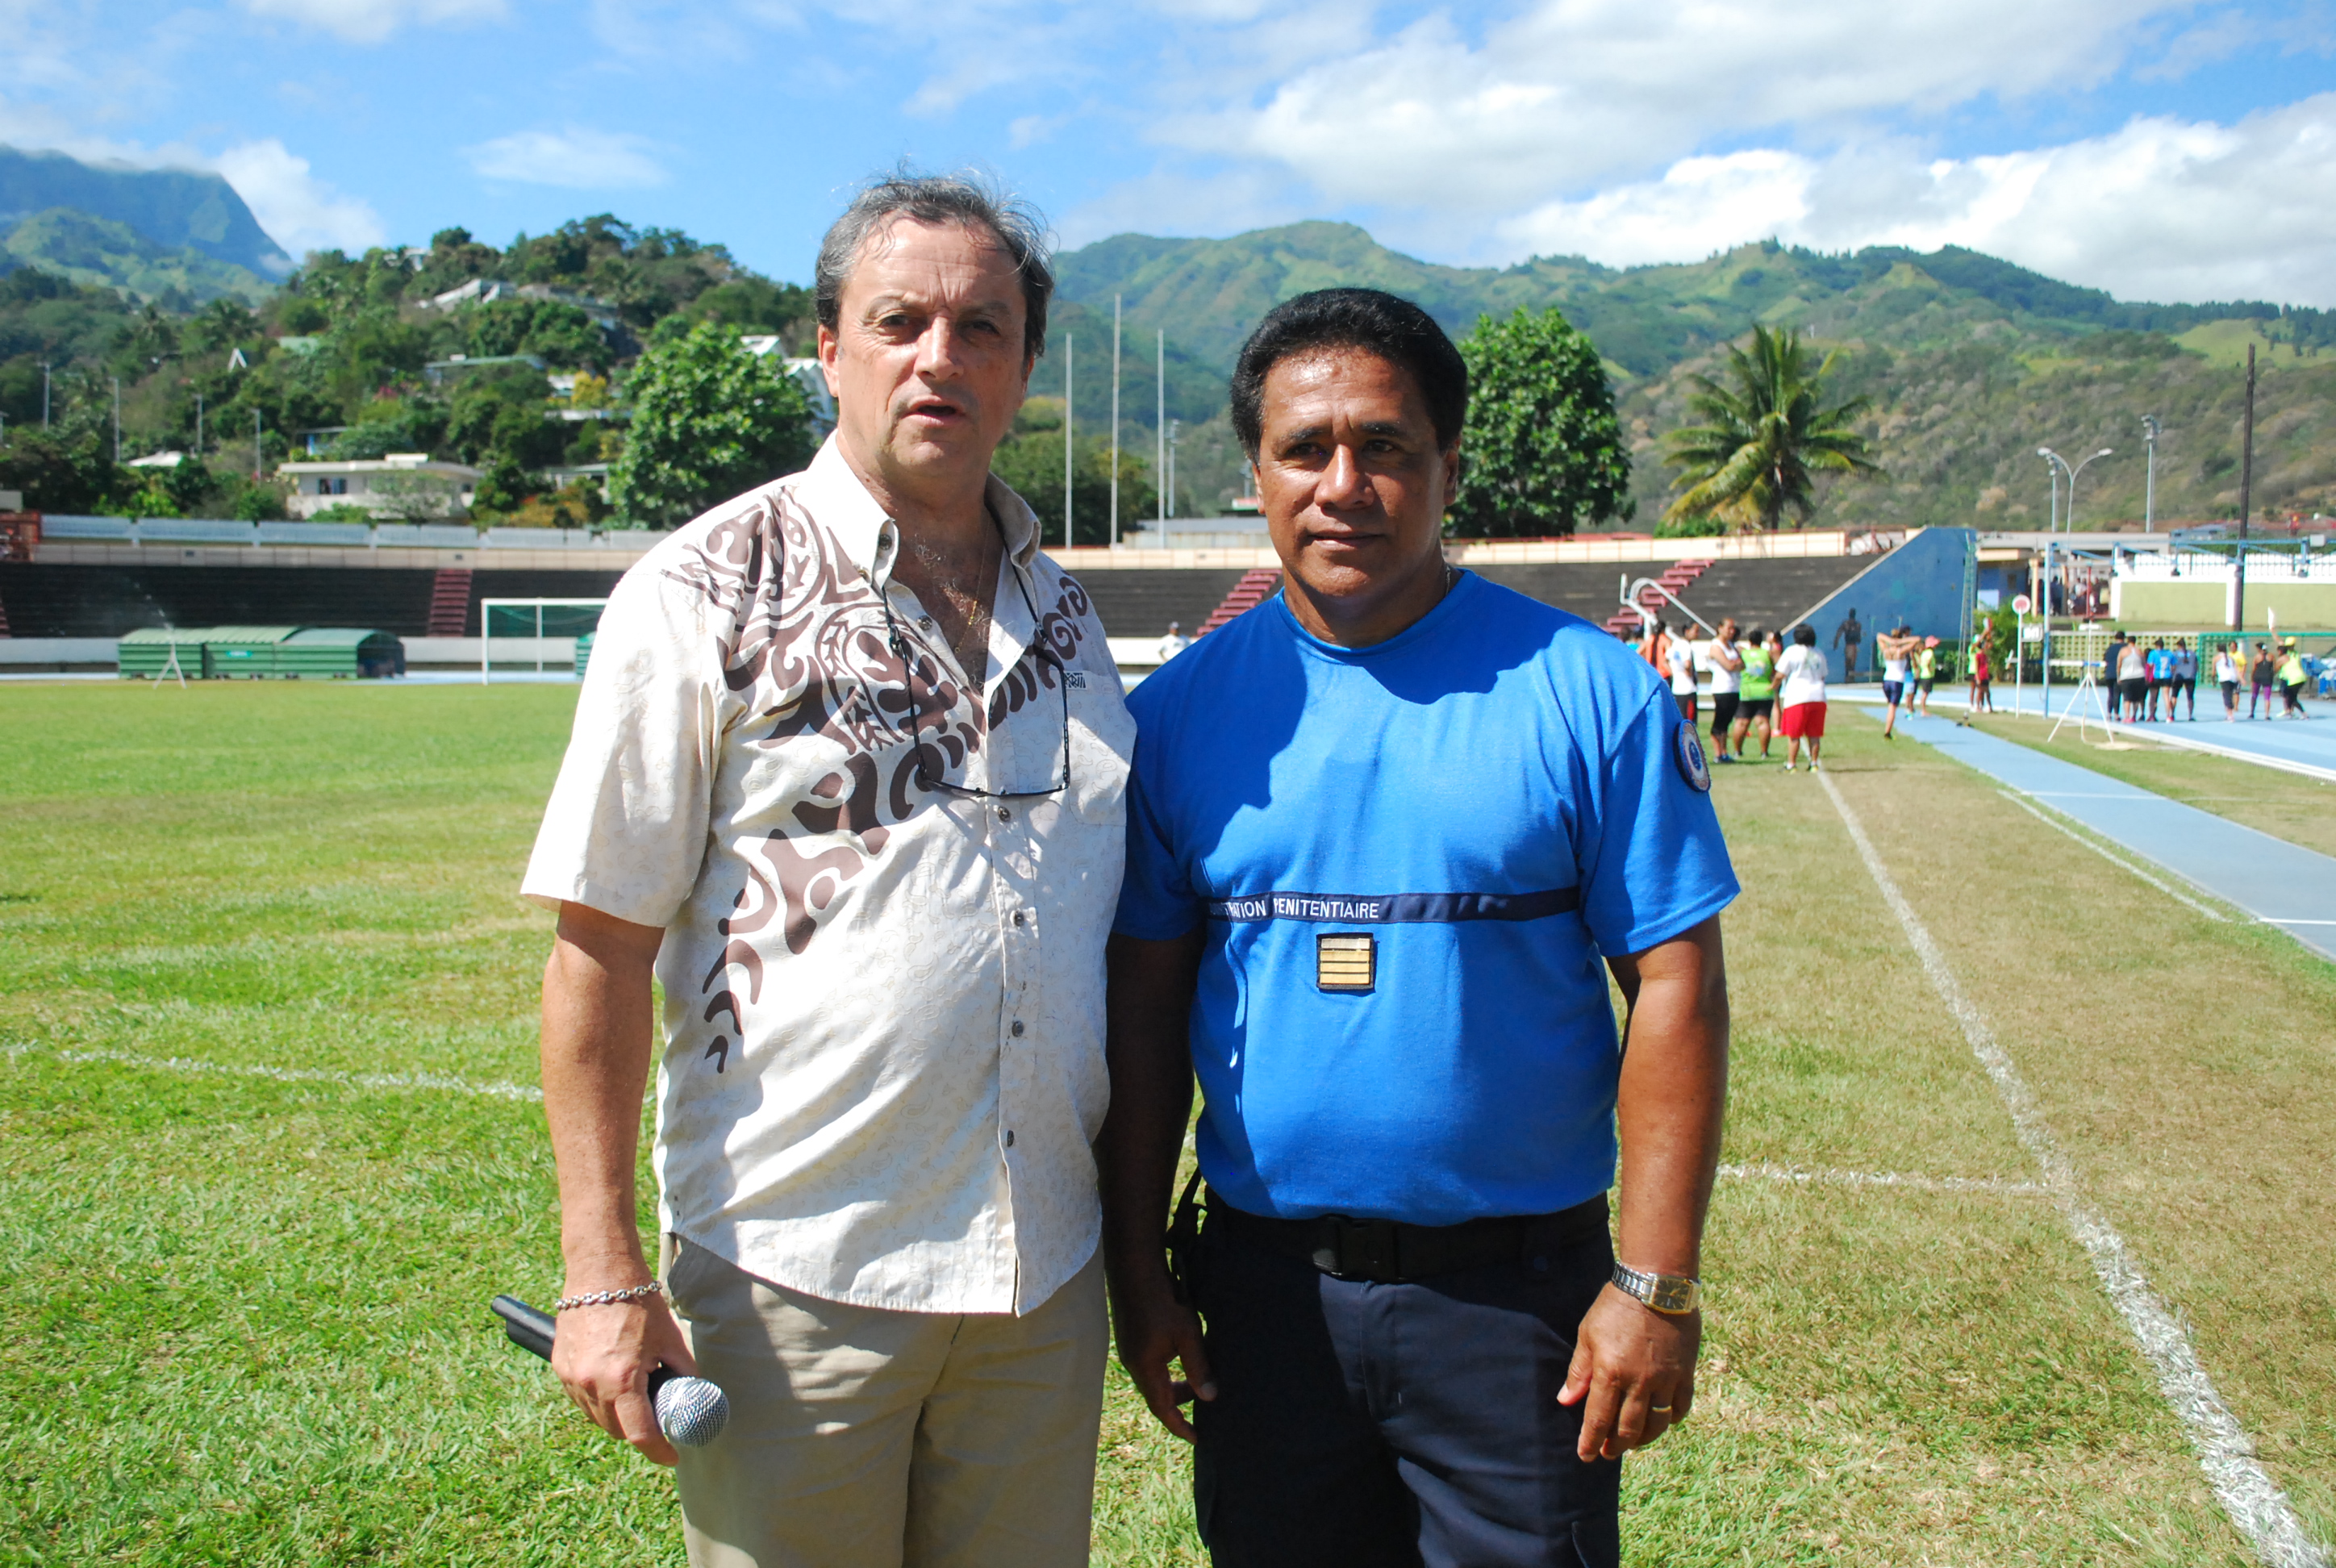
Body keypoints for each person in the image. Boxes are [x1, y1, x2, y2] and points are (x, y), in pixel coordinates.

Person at [521, 173, 1136, 1568]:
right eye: (898, 319)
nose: (940, 357)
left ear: (1025, 362)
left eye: (981, 326)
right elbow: (597, 947)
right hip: (799, 1268)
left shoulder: (1069, 609)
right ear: (829, 347)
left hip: (1039, 1273)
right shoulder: (702, 590)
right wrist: (601, 1266)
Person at [1098, 288, 1737, 1568]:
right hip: (1263, 1298)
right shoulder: (1172, 716)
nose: (1344, 483)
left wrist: (1656, 1281)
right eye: (1305, 449)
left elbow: (1675, 984)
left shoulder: (1590, 692)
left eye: (1385, 446)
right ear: (1257, 474)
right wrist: (1140, 1277)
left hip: (1515, 1308)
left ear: (1449, 465)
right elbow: (1147, 1018)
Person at [1775, 623, 1829, 771]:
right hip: (1818, 696)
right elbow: (1823, 675)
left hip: (1797, 697)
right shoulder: (1819, 653)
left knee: (1794, 734)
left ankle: (1791, 764)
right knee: (1814, 734)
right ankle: (1814, 763)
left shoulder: (1791, 652)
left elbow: (1781, 673)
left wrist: (1773, 684)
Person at [1732, 628, 1775, 761]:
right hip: (1764, 691)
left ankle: (1738, 751)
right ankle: (1764, 752)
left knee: (1741, 723)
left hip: (1747, 692)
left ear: (1749, 641)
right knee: (1763, 722)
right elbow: (1773, 670)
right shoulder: (1767, 654)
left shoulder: (1743, 654)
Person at [1707, 618, 1743, 763]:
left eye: (1733, 628)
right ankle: (1718, 753)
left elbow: (1742, 664)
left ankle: (1724, 752)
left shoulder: (1731, 645)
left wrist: (1736, 664)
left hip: (1734, 687)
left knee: (1726, 722)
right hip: (1722, 688)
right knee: (1720, 721)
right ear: (1720, 628)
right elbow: (1728, 665)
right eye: (1729, 628)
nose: (1732, 631)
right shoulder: (1716, 646)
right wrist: (1735, 664)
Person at [1874, 624, 1919, 739]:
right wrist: (1901, 642)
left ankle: (1888, 730)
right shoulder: (1901, 651)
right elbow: (1917, 639)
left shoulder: (1886, 650)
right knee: (1892, 708)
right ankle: (1887, 733)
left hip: (1886, 680)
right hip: (1897, 681)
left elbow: (1879, 636)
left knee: (1891, 706)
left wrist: (1890, 641)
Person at [1666, 619, 1699, 724]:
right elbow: (1688, 664)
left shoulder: (1676, 643)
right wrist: (1688, 674)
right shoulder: (1686, 645)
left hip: (1677, 688)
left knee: (1681, 721)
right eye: (1696, 631)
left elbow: (1665, 660)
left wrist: (1673, 673)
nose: (1697, 634)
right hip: (1688, 688)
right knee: (1690, 722)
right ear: (1687, 631)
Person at [2117, 636, 2150, 727]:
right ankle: (2134, 716)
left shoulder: (2123, 651)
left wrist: (2118, 676)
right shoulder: (2139, 651)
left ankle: (2127, 716)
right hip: (2139, 676)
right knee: (2136, 698)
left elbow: (2119, 665)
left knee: (2127, 698)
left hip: (2126, 677)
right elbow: (2144, 664)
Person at [2146, 638, 2175, 722]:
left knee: (2154, 696)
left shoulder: (2153, 653)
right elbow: (2174, 666)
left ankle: (2152, 715)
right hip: (2167, 675)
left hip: (2156, 676)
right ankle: (2169, 715)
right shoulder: (2169, 653)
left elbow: (2150, 665)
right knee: (2166, 696)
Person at [1831, 607, 1863, 684]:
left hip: (1849, 645)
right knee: (1851, 663)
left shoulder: (1847, 624)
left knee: (1849, 663)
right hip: (1853, 645)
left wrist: (1836, 643)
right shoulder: (1857, 625)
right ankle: (1850, 679)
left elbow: (1839, 634)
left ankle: (1849, 679)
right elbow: (1859, 639)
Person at [2278, 640, 2310, 717]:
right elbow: (2279, 642)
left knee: (2291, 697)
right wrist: (2273, 632)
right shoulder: (2295, 654)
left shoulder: (2288, 655)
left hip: (2294, 679)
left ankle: (2303, 713)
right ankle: (2289, 710)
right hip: (2299, 678)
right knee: (2290, 696)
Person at [2101, 630, 2128, 720]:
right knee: (2117, 694)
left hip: (2109, 672)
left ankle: (2109, 713)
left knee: (2110, 694)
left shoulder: (2110, 648)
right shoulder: (2126, 648)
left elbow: (2105, 659)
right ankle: (2117, 713)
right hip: (2119, 673)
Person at [2171, 640, 2198, 721]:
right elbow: (2196, 666)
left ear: (2179, 646)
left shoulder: (2175, 654)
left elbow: (2173, 666)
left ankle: (2172, 714)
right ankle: (2190, 715)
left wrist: (2172, 676)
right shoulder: (2192, 654)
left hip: (2178, 676)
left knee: (2174, 696)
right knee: (2190, 697)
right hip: (2190, 676)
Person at [2215, 642, 2242, 720]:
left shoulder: (2217, 658)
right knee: (2230, 695)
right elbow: (2236, 669)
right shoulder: (2230, 658)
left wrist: (2213, 678)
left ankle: (2230, 715)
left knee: (2226, 696)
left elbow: (2214, 671)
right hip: (2233, 677)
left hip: (2224, 678)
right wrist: (2241, 678)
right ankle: (2229, 713)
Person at [1914, 636, 1940, 717]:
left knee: (1925, 693)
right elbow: (1928, 662)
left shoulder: (1924, 652)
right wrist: (1930, 669)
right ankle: (1923, 710)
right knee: (1925, 693)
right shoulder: (1930, 652)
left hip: (1924, 674)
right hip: (1928, 675)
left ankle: (1923, 708)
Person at [2250, 642, 2278, 719]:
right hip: (2267, 678)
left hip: (2257, 677)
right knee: (2267, 697)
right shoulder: (2271, 656)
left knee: (2254, 695)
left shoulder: (2257, 657)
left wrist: (2252, 679)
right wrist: (2272, 674)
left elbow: (2254, 669)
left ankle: (2252, 712)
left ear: (2259, 649)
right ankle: (2267, 715)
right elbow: (2275, 668)